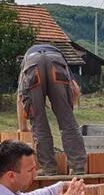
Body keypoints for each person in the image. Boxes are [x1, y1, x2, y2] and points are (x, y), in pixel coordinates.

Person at [15, 43, 87, 176]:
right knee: (67, 122)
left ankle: (48, 168)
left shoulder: (25, 63)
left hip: (32, 63)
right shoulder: (61, 59)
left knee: (38, 121)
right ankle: (78, 168)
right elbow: (75, 89)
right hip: (56, 61)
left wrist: (23, 127)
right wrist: (67, 110)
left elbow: (20, 98)